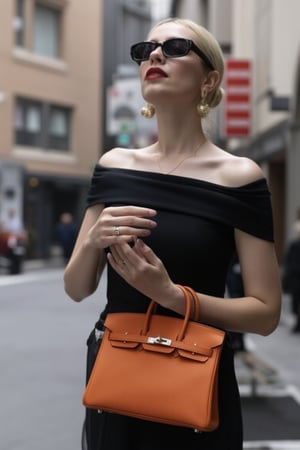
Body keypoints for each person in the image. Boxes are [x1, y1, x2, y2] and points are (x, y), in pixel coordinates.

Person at [64, 17, 281, 450]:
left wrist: (172, 295)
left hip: (195, 382)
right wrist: (92, 240)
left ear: (210, 80)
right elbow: (76, 287)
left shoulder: (238, 176)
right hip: (117, 378)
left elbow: (266, 313)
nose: (155, 55)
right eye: (146, 50)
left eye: (176, 47)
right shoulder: (114, 165)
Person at [282, 219, 300, 333]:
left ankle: (298, 323)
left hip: (295, 277)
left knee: (296, 301)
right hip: (295, 277)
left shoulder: (294, 245)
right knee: (296, 301)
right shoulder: (294, 245)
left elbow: (288, 262)